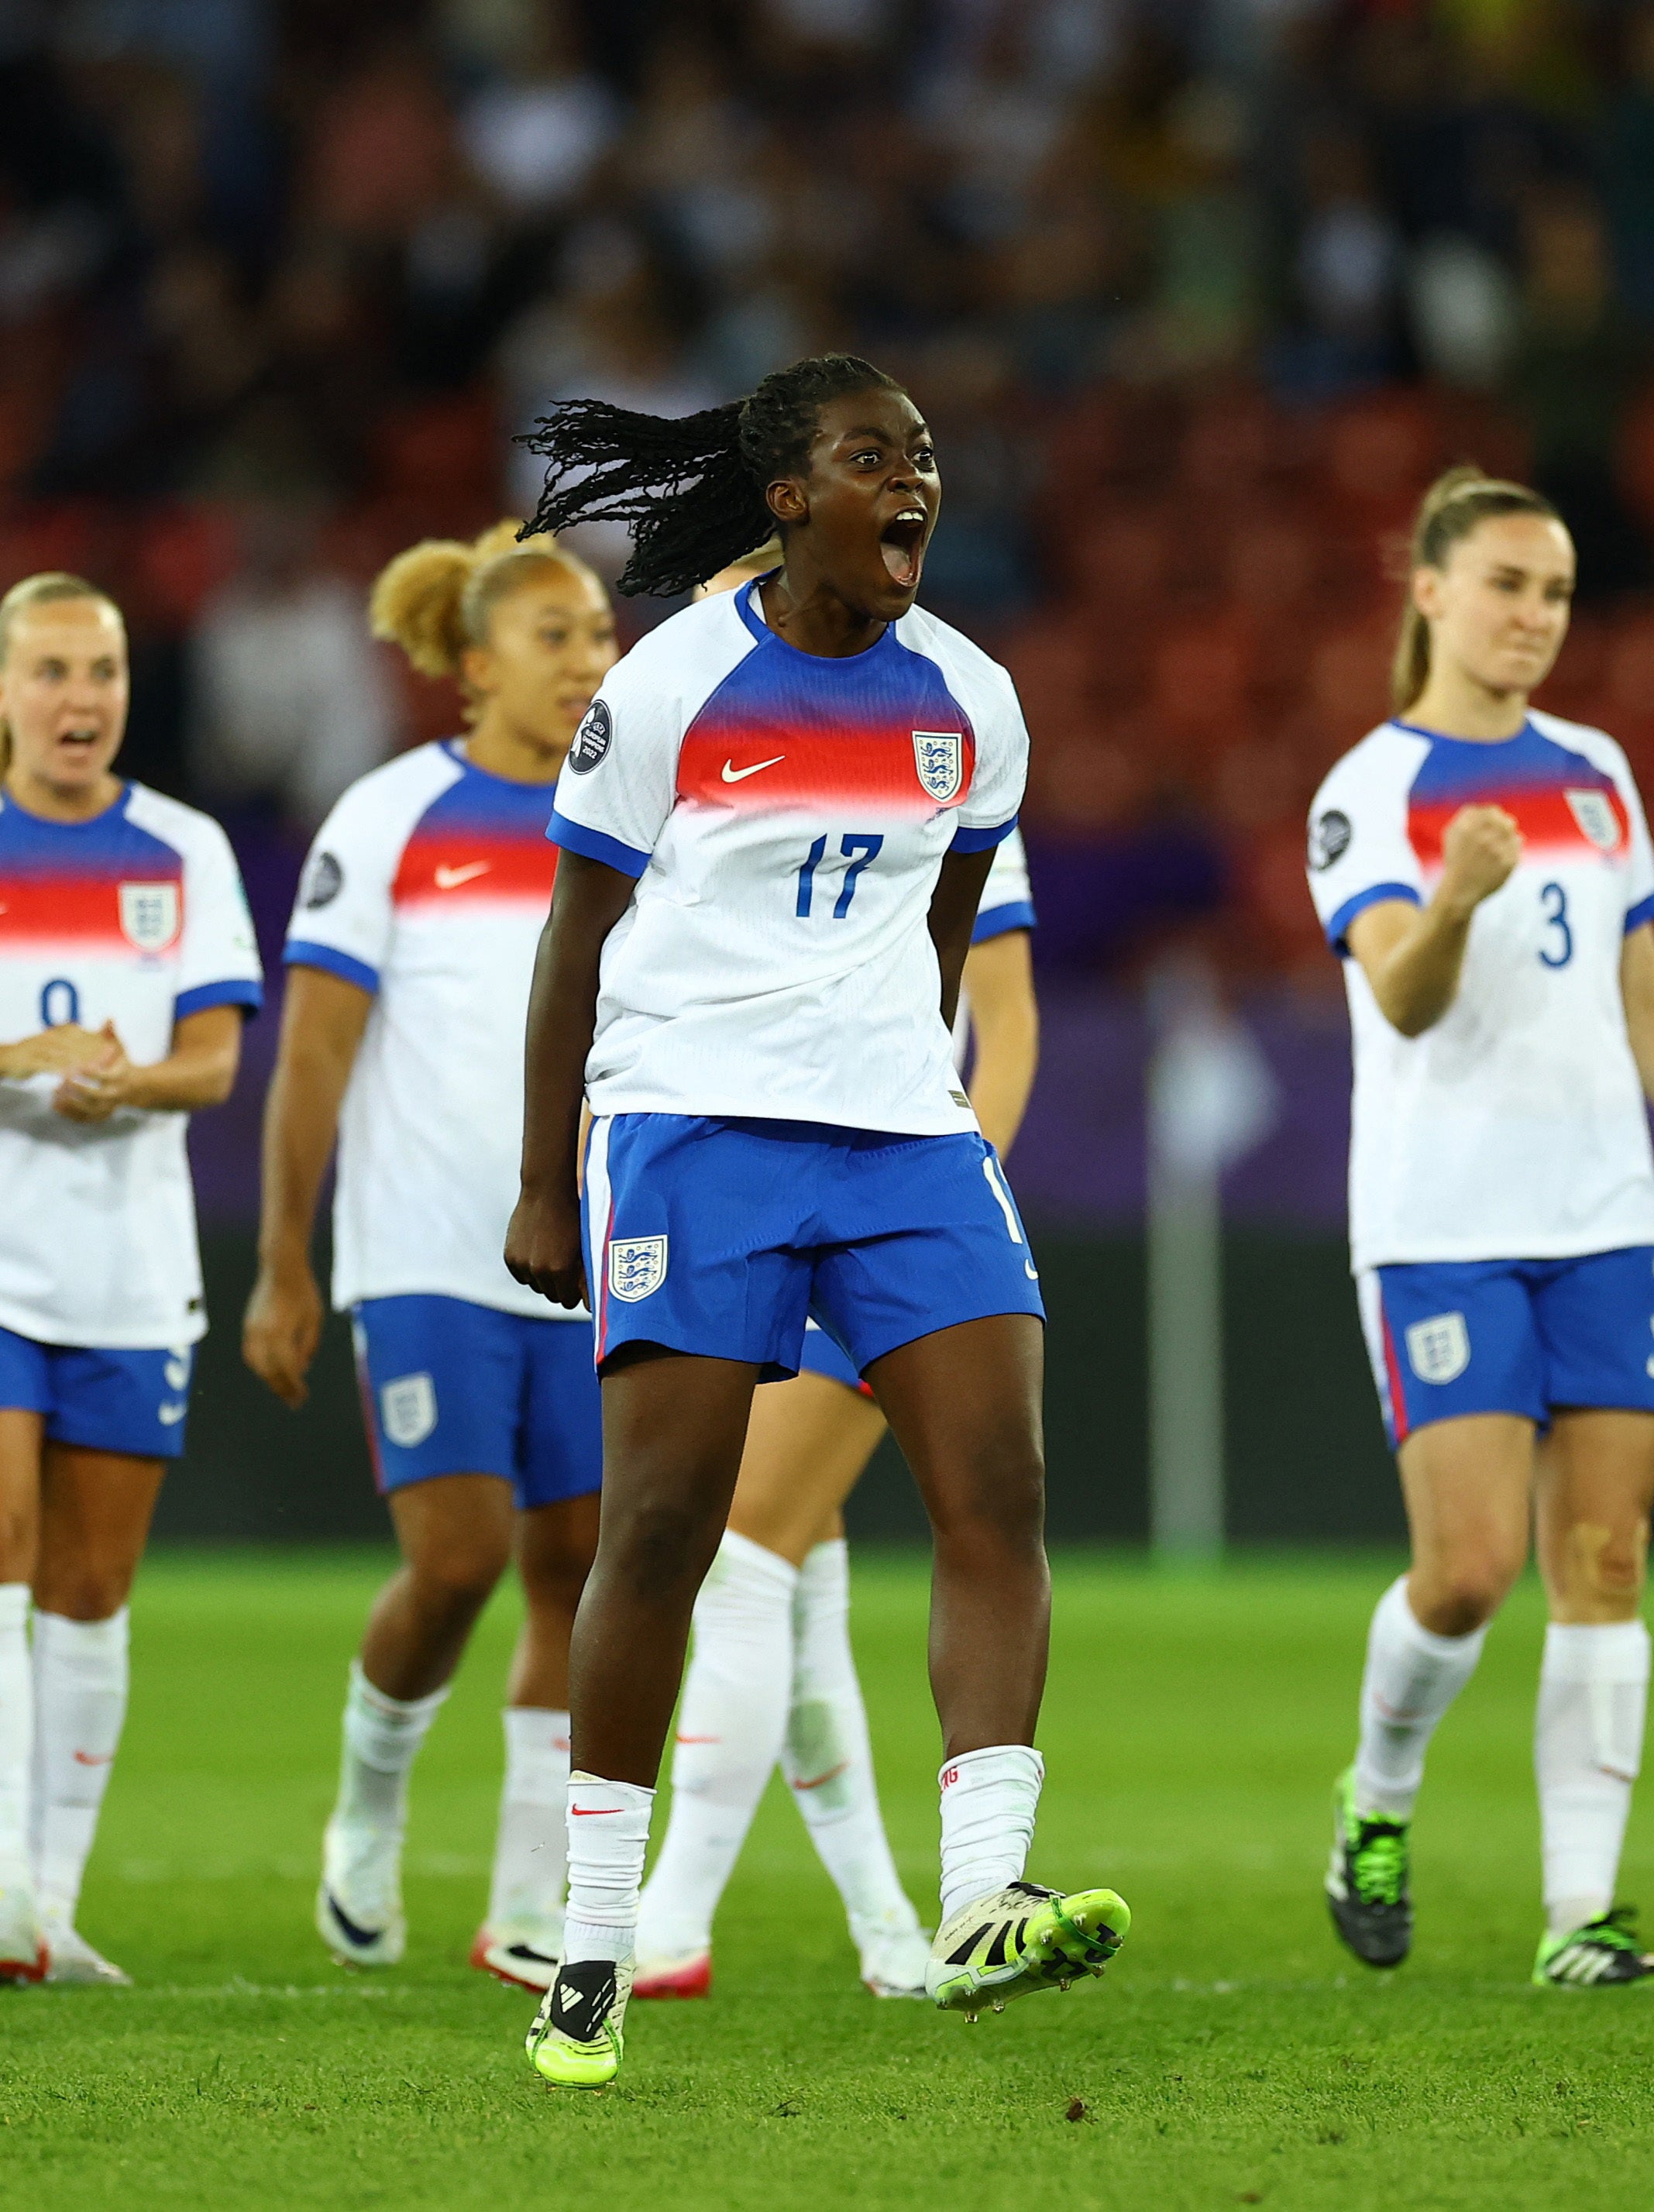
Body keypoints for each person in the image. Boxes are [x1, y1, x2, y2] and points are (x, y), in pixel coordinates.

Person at [504, 353, 1127, 2090]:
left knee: (997, 1489)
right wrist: (550, 1176)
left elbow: (946, 929)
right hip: (697, 1130)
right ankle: (599, 1936)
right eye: (874, 456)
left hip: (900, 1143)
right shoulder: (674, 684)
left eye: (924, 455)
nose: (914, 479)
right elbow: (574, 941)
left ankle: (986, 1891)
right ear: (792, 499)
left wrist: (907, 1084)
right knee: (663, 1530)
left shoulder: (973, 700)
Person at [1302, 467, 1654, 1990]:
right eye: (1507, 584)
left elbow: (1642, 994)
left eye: (1557, 592)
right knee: (1463, 1574)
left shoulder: (1591, 772)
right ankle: (1374, 1801)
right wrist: (1449, 901)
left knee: (1605, 1558)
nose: (1533, 616)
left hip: (1600, 1214)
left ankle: (1580, 1916)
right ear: (1431, 592)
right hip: (1442, 1220)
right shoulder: (1368, 791)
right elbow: (1400, 996)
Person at [627, 543, 1043, 2004]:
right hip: (747, 1178)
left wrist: (943, 1206)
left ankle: (669, 1922)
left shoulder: (948, 728)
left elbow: (1003, 1018)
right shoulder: (705, 721)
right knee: (792, 1583)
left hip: (889, 1196)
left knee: (746, 1545)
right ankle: (891, 1927)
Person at [0, 573, 261, 1987]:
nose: (82, 700)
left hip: (129, 1269)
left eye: (106, 673)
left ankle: (57, 1909)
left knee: (90, 1587)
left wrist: (128, 1082)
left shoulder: (186, 848)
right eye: (55, 672)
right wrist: (25, 1054)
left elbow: (214, 1061)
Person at [243, 521, 618, 1994]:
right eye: (555, 636)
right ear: (474, 666)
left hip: (589, 1259)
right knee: (456, 1561)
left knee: (576, 1572)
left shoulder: (635, 823)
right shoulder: (390, 818)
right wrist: (286, 1261)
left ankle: (528, 1899)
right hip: (417, 1255)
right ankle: (369, 1810)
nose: (591, 660)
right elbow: (313, 1061)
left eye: (601, 634)